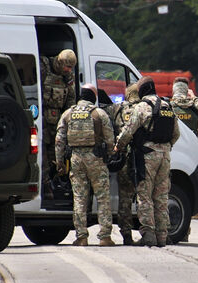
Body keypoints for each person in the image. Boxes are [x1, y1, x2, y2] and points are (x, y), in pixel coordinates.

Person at [114, 76, 180, 248]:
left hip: (147, 156)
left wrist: (118, 146)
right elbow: (176, 134)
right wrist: (165, 147)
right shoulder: (167, 106)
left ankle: (148, 235)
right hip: (165, 156)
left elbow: (128, 131)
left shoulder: (142, 107)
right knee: (161, 197)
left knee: (145, 196)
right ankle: (162, 236)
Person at [55, 83, 115, 247]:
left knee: (80, 198)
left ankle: (81, 237)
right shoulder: (99, 114)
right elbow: (110, 139)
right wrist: (110, 155)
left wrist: (60, 163)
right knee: (102, 198)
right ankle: (105, 237)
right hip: (96, 159)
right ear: (93, 96)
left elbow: (59, 141)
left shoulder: (68, 114)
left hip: (76, 159)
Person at [100, 83, 141, 246]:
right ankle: (149, 232)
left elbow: (102, 109)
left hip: (123, 158)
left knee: (125, 198)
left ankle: (126, 234)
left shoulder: (118, 108)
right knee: (145, 196)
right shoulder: (143, 108)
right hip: (141, 158)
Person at [40, 49, 77, 199]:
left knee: (54, 155)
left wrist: (67, 119)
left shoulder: (68, 77)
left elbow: (71, 99)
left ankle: (52, 184)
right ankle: (44, 186)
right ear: (59, 62)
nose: (68, 70)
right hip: (42, 118)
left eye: (71, 68)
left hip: (57, 121)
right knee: (42, 155)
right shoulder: (44, 67)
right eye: (67, 67)